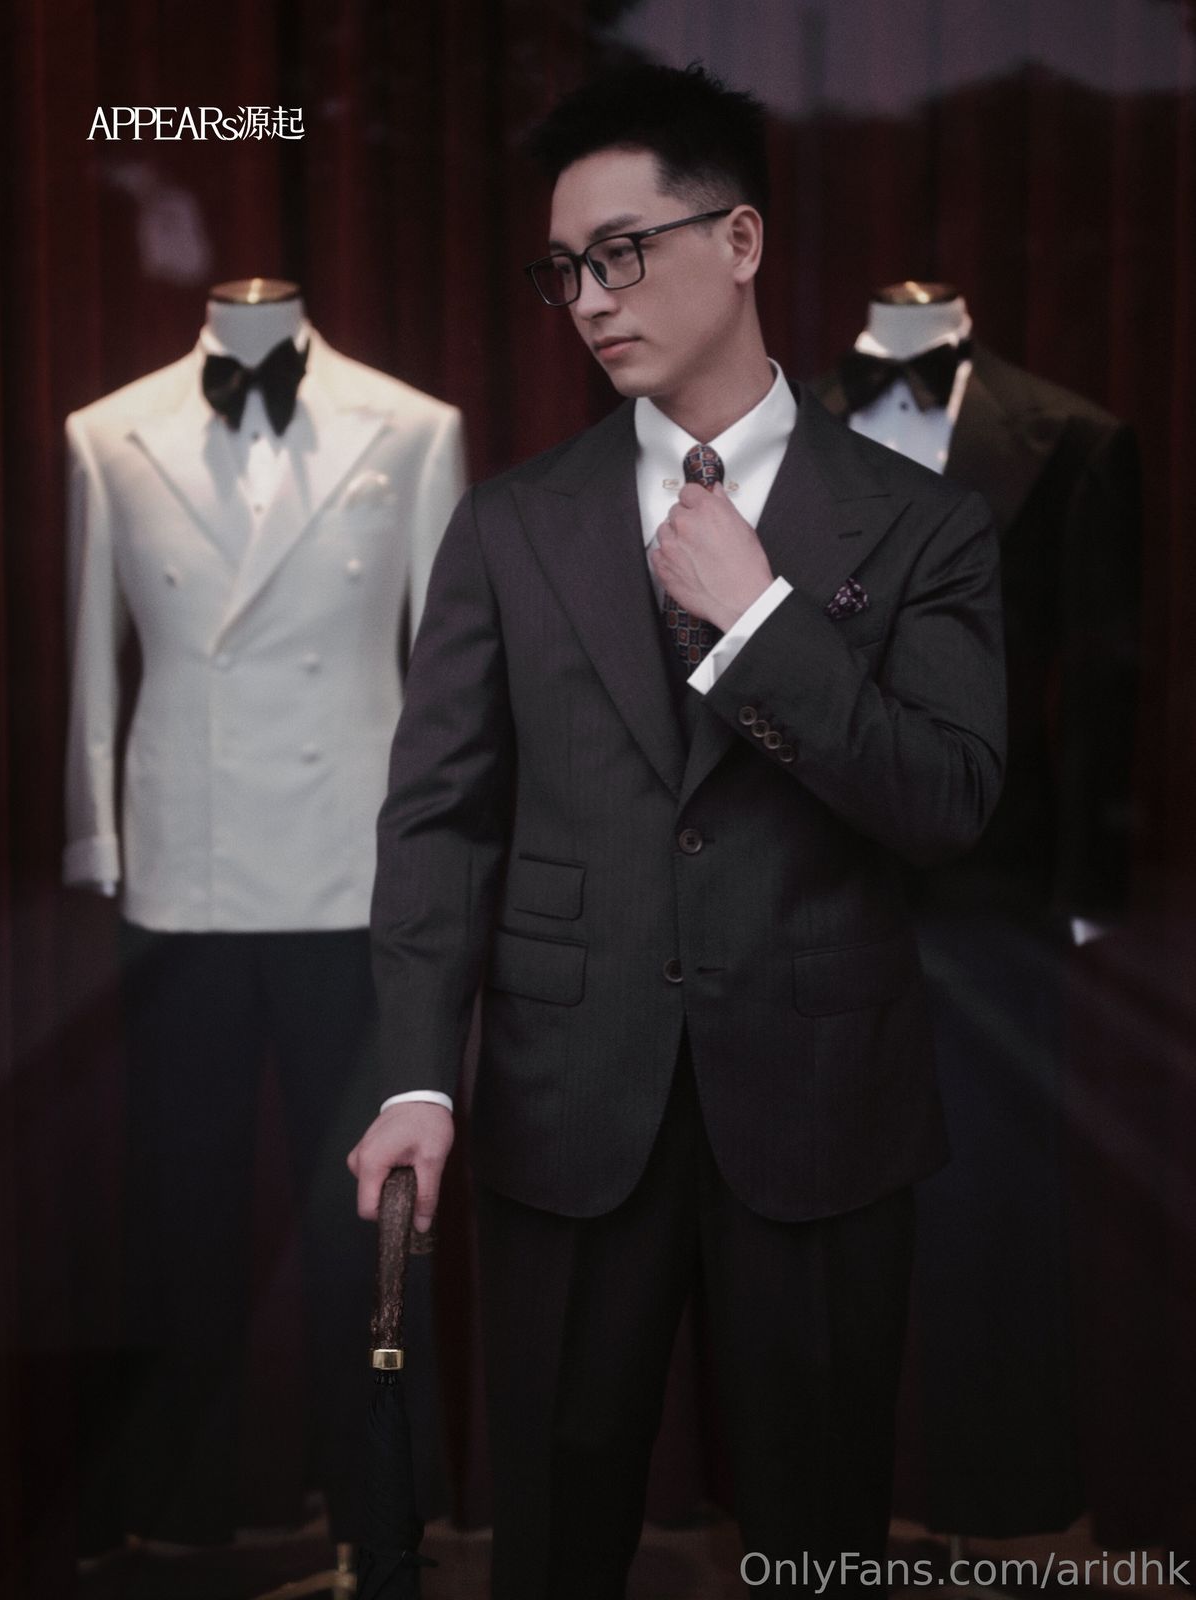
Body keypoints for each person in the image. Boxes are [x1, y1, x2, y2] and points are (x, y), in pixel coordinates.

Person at [349, 63, 1006, 1600]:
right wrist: (416, 1077)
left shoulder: (923, 525)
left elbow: (947, 804)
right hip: (564, 1103)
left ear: (742, 242)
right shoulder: (509, 523)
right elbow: (440, 820)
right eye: (564, 269)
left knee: (818, 1528)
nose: (588, 299)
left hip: (825, 1102)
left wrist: (762, 622)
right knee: (552, 1529)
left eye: (622, 253)